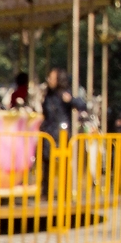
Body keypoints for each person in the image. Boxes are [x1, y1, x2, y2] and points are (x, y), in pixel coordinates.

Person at [38, 68, 87, 196]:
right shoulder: (48, 95)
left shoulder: (64, 93)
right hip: (48, 131)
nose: (49, 80)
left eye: (52, 78)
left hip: (61, 133)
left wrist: (70, 100)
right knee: (46, 163)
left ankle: (65, 191)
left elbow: (81, 105)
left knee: (63, 164)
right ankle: (46, 191)